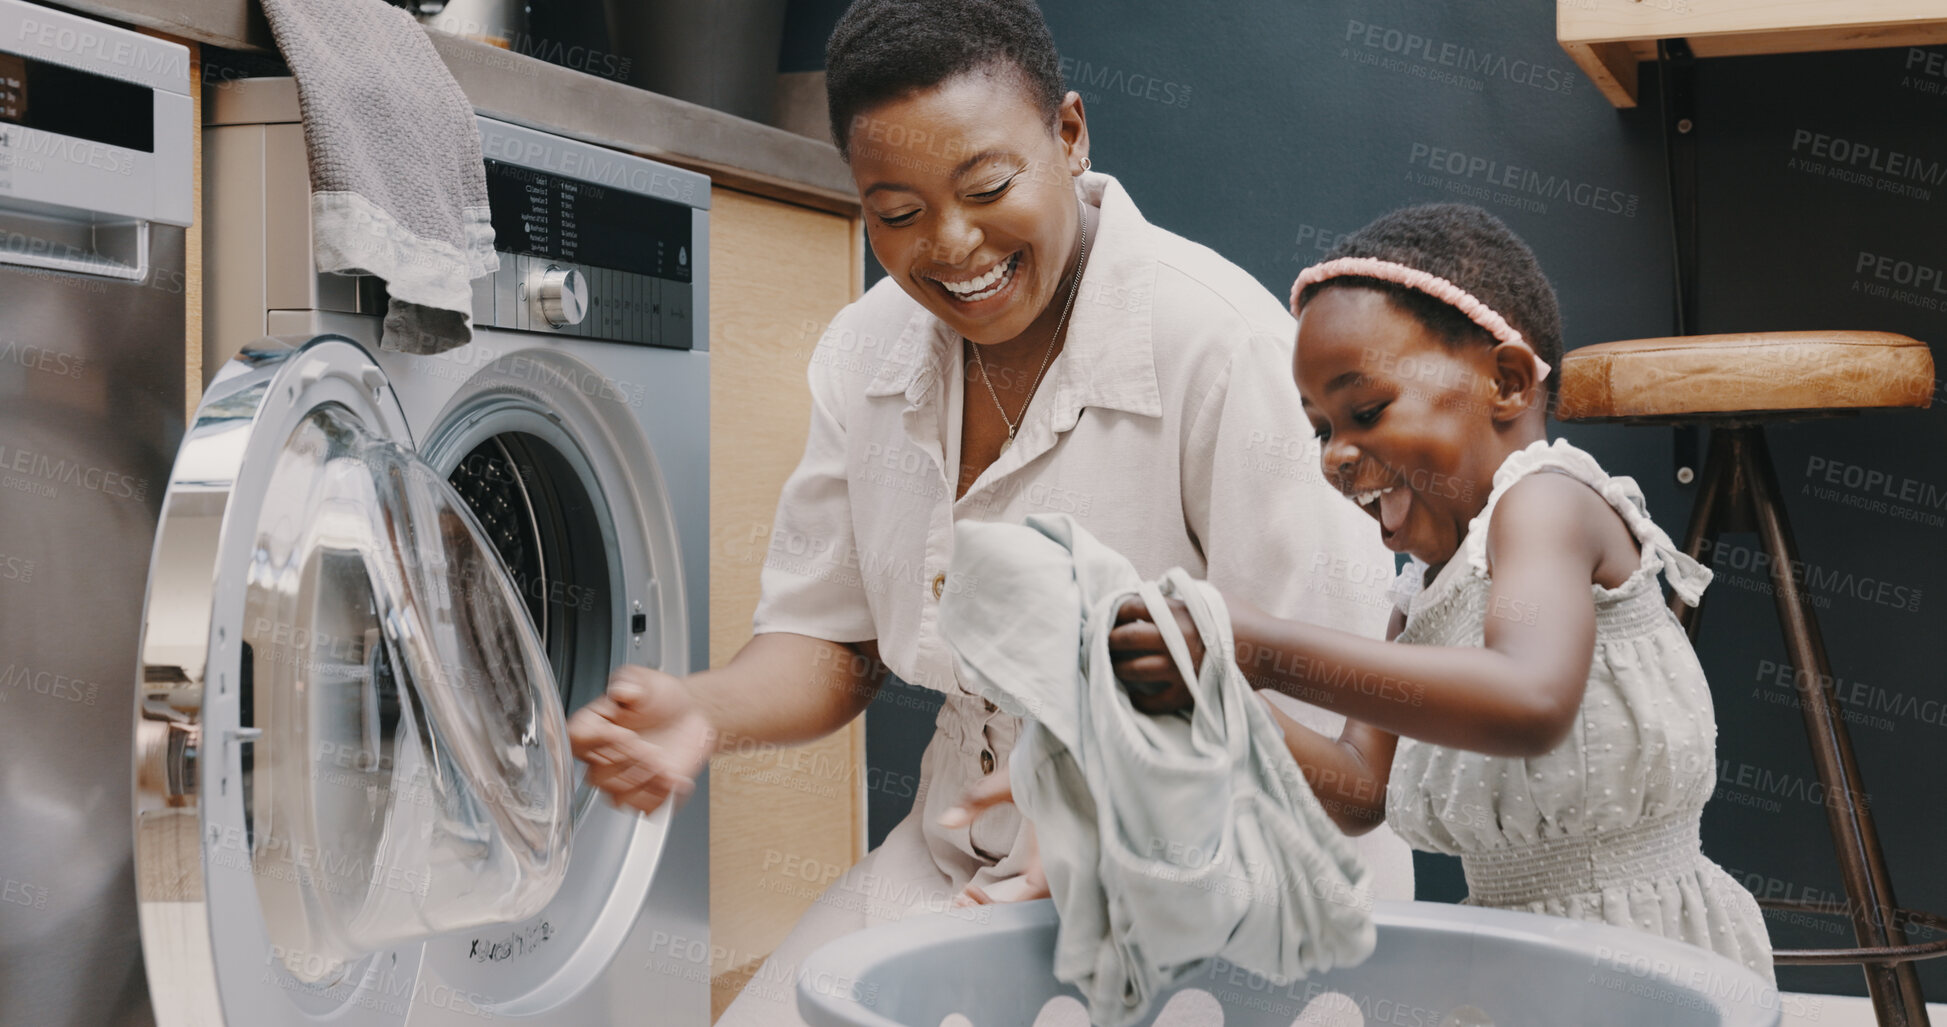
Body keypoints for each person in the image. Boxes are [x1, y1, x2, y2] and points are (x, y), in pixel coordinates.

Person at [567, 0, 1413, 1020]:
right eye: (898, 210)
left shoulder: (1225, 351)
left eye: (987, 187)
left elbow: (1341, 731)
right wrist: (703, 708)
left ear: (1069, 134)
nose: (953, 245)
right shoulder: (865, 351)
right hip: (961, 859)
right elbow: (832, 643)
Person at [1108, 203, 1775, 981]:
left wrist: (1253, 644)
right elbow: (1359, 788)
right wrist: (1214, 692)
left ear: (1506, 381)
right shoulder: (1420, 593)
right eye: (1321, 428)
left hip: (1641, 950)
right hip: (1511, 958)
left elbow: (1527, 699)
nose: (1334, 456)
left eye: (1364, 411)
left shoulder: (1546, 503)